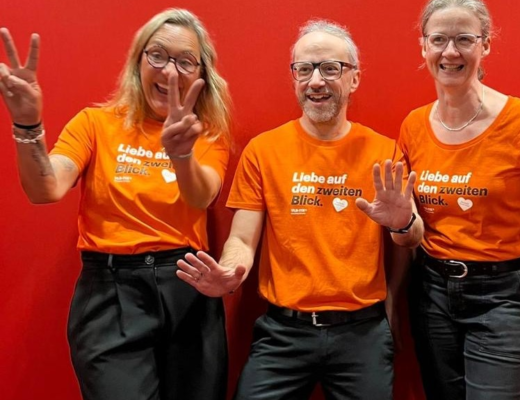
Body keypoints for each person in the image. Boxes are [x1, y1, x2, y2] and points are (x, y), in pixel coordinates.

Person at [176, 19, 423, 400]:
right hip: (283, 333)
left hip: (362, 333)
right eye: (304, 69)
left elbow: (412, 237)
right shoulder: (263, 151)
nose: (316, 81)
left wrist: (402, 224)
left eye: (330, 68)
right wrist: (230, 271)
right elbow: (242, 237)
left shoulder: (384, 152)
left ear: (354, 78)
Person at [0, 8, 232, 400]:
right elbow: (46, 189)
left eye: (185, 62)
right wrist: (27, 126)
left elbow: (202, 195)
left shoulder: (205, 134)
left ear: (201, 75)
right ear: (137, 60)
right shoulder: (95, 124)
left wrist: (181, 155)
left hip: (187, 288)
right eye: (157, 55)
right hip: (111, 294)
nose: (170, 72)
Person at [399, 0, 520, 399]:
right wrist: (398, 223)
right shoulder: (414, 125)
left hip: (507, 298)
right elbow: (408, 224)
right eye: (438, 39)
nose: (450, 51)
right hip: (433, 292)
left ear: (485, 46)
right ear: (423, 47)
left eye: (464, 39)